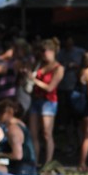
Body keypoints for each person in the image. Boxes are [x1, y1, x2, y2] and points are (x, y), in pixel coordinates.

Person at [28, 38, 64, 166]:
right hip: (36, 99)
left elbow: (50, 88)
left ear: (52, 51)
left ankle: (48, 163)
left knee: (47, 133)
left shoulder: (59, 68)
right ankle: (34, 162)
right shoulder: (38, 64)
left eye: (45, 51)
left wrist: (33, 80)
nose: (43, 54)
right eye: (41, 51)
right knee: (33, 133)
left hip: (49, 102)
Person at [0, 98, 38, 175]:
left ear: (9, 112)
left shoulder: (13, 129)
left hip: (22, 170)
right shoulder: (21, 124)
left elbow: (18, 156)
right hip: (28, 168)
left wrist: (0, 155)